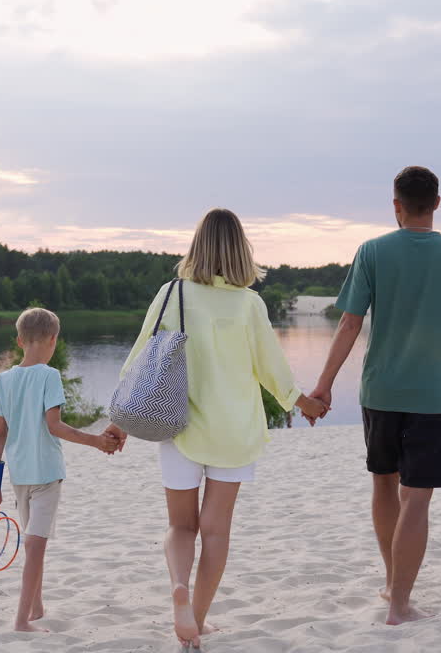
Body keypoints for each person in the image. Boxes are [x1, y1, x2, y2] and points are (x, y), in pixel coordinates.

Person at [105, 208, 328, 649]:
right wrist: (305, 403)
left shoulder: (171, 293)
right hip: (234, 432)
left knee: (181, 526)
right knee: (216, 531)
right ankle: (198, 622)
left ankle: (179, 589)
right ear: (241, 249)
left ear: (197, 246)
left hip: (177, 426)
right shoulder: (249, 304)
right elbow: (272, 370)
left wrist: (119, 421)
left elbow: (139, 359)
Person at [309, 165, 441, 625]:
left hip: (381, 390)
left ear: (396, 205)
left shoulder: (372, 252)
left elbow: (349, 322)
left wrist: (323, 386)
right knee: (416, 498)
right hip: (437, 397)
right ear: (437, 204)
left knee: (384, 483)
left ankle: (391, 583)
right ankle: (400, 603)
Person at [0, 307, 120, 633]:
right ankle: (21, 620)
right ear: (54, 340)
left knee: (34, 545)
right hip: (45, 474)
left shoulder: (4, 379)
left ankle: (37, 606)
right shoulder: (49, 375)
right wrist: (97, 441)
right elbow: (55, 426)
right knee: (34, 546)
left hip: (17, 475)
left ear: (19, 340)